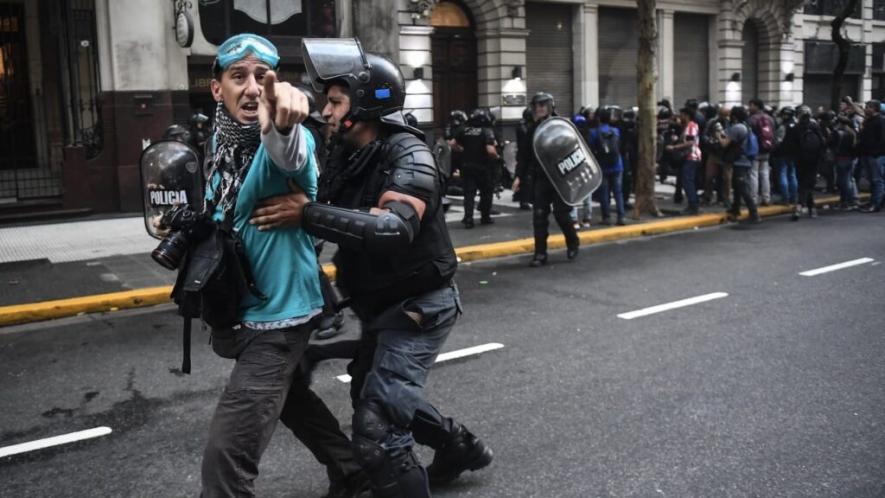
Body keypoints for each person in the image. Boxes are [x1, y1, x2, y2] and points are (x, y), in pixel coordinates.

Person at [253, 38, 492, 497]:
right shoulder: (347, 154)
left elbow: (389, 229)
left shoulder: (410, 154)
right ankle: (459, 446)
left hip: (419, 307)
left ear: (365, 103)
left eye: (336, 100)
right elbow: (328, 221)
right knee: (372, 390)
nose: (326, 110)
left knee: (377, 430)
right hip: (379, 303)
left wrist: (306, 212)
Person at [187, 34, 365, 498]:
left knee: (226, 459)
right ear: (216, 89)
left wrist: (280, 124)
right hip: (239, 314)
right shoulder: (217, 145)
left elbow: (289, 151)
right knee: (293, 403)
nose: (251, 88)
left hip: (278, 321)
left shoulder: (287, 138)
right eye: (238, 76)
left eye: (262, 77)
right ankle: (352, 470)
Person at [513, 92, 580, 267]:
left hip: (560, 177)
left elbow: (574, 151)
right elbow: (524, 156)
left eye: (543, 105)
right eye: (537, 105)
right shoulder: (532, 129)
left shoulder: (562, 126)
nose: (540, 108)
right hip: (540, 178)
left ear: (551, 106)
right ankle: (540, 254)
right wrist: (518, 176)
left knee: (562, 215)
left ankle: (573, 242)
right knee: (539, 217)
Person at [456, 108, 499, 228]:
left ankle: (468, 219)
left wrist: (464, 150)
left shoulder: (464, 130)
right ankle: (485, 217)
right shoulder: (487, 131)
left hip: (466, 166)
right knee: (486, 192)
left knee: (469, 194)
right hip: (483, 167)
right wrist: (497, 156)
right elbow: (490, 150)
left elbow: (453, 143)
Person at [720, 105, 761, 224]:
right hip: (746, 160)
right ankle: (735, 210)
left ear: (734, 116)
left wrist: (718, 134)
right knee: (738, 187)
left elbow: (724, 143)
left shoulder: (737, 127)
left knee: (743, 188)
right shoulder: (746, 126)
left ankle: (754, 213)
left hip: (740, 161)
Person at [590, 106, 626, 225]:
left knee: (604, 192)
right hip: (617, 165)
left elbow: (591, 148)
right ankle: (621, 217)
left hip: (603, 166)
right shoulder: (616, 131)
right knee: (618, 192)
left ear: (598, 118)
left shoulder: (594, 132)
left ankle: (606, 217)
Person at [793, 105, 826, 219]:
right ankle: (811, 208)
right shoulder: (815, 126)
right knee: (808, 184)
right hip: (814, 160)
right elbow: (822, 142)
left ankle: (800, 205)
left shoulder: (796, 127)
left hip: (800, 160)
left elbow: (790, 145)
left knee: (803, 183)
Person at [856, 100, 884, 213]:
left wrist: (876, 152)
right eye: (866, 106)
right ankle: (872, 200)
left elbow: (882, 139)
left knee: (877, 180)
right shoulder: (868, 121)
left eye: (869, 107)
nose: (866, 109)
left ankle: (876, 204)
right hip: (866, 154)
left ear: (875, 109)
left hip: (876, 155)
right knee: (871, 179)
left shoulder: (881, 121)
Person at [748, 98, 776, 206]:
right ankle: (766, 198)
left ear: (756, 106)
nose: (750, 108)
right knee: (765, 174)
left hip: (754, 151)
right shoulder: (770, 119)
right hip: (767, 150)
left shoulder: (751, 120)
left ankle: (753, 199)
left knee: (753, 174)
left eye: (751, 105)